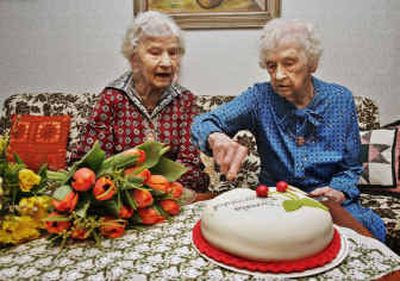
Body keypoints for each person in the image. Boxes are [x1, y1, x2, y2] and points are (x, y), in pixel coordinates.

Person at [191, 18, 386, 241]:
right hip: (276, 201)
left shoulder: (340, 100)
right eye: (272, 66)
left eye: (289, 63)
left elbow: (350, 167)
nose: (279, 75)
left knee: (363, 238)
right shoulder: (259, 98)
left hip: (328, 201)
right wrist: (216, 138)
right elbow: (203, 122)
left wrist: (338, 191)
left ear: (312, 63)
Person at [74, 11, 209, 192]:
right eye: (155, 53)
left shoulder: (184, 100)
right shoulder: (112, 98)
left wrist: (158, 189)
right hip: (119, 194)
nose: (167, 62)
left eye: (173, 53)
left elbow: (189, 163)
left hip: (172, 194)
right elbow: (90, 161)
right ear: (134, 59)